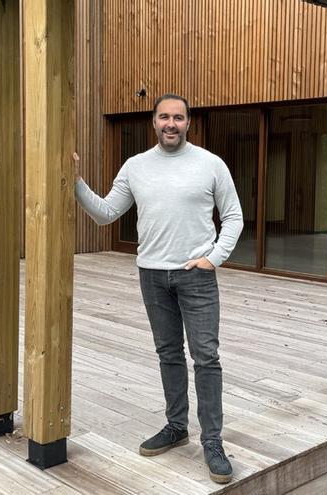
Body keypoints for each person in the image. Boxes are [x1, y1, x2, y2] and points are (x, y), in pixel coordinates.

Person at [74, 93, 243, 484]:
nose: (171, 124)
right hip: (152, 275)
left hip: (196, 275)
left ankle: (212, 441)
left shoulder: (210, 164)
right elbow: (106, 213)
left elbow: (233, 216)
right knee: (168, 353)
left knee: (206, 357)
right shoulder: (136, 167)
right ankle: (175, 426)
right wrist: (75, 180)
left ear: (189, 123)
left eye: (178, 118)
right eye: (164, 117)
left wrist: (213, 259)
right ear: (154, 122)